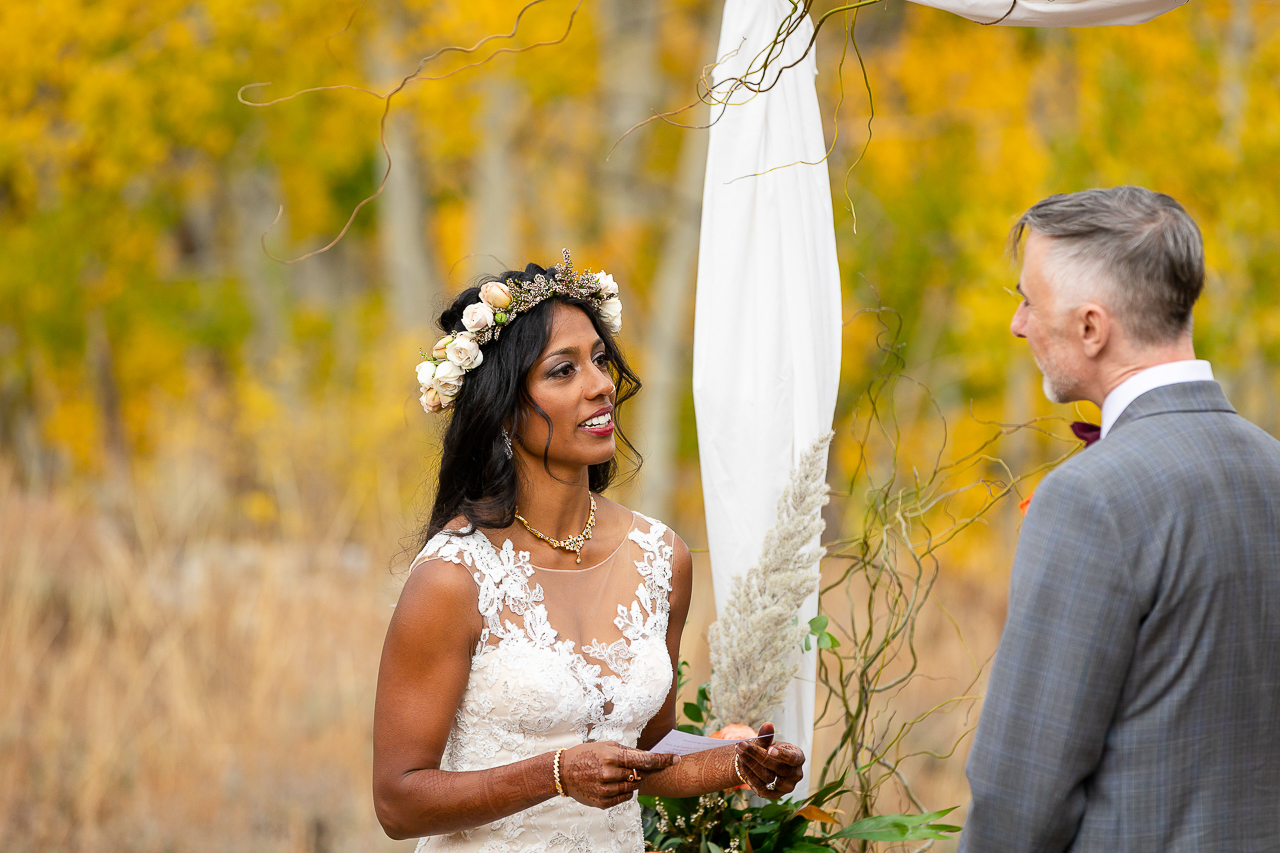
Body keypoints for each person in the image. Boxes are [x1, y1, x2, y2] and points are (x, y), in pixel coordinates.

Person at [372, 252, 806, 852]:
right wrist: (554, 774)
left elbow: (647, 751)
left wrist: (735, 762)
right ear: (503, 407)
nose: (601, 384)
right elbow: (397, 802)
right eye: (563, 370)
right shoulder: (455, 577)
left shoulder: (662, 558)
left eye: (600, 360)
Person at [959, 186, 1280, 852]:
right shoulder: (1273, 466)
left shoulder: (1089, 500)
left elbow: (1019, 797)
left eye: (1028, 300)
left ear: (1091, 328)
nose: (1018, 324)